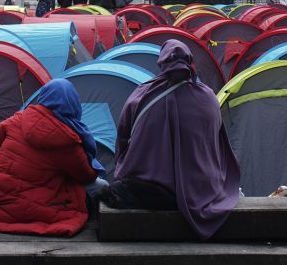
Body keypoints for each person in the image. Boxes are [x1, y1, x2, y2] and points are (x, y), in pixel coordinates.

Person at [99, 42, 241, 240]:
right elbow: (218, 147)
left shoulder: (141, 95)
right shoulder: (208, 98)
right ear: (191, 63)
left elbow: (122, 142)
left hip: (149, 193)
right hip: (201, 191)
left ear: (161, 63)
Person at [0, 79, 100, 237]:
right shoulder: (68, 138)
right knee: (100, 186)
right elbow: (86, 175)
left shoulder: (16, 119)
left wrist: (8, 167)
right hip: (43, 208)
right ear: (74, 105)